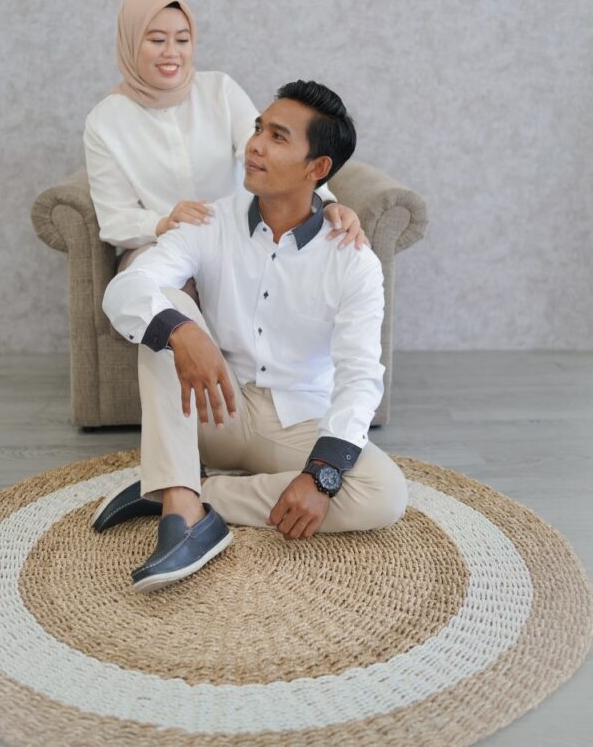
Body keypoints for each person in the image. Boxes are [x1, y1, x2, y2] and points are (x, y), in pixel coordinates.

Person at [95, 79, 408, 593]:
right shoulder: (209, 221)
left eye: (277, 137)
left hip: (297, 419)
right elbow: (125, 290)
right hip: (214, 406)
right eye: (259, 128)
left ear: (317, 168)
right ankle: (183, 509)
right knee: (166, 305)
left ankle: (185, 492)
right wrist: (183, 332)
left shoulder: (353, 260)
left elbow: (359, 376)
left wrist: (320, 477)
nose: (255, 145)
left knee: (383, 493)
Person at [83, 0, 367, 278]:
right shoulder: (105, 121)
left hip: (239, 234)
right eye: (156, 40)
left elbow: (270, 154)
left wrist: (325, 203)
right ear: (129, 42)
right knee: (157, 283)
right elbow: (115, 218)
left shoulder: (219, 89)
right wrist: (164, 222)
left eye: (182, 40)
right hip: (163, 241)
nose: (172, 52)